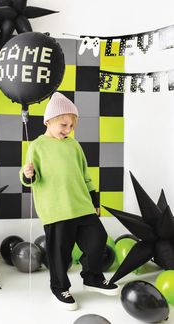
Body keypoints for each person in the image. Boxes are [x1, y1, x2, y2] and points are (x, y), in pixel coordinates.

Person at [19, 92, 119, 311]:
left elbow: (86, 176)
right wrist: (27, 174)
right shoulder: (37, 146)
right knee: (60, 253)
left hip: (81, 205)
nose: (68, 129)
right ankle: (59, 287)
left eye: (72, 126)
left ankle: (92, 276)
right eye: (64, 124)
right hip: (56, 210)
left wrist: (94, 200)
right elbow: (29, 177)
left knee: (98, 238)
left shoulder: (74, 146)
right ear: (48, 121)